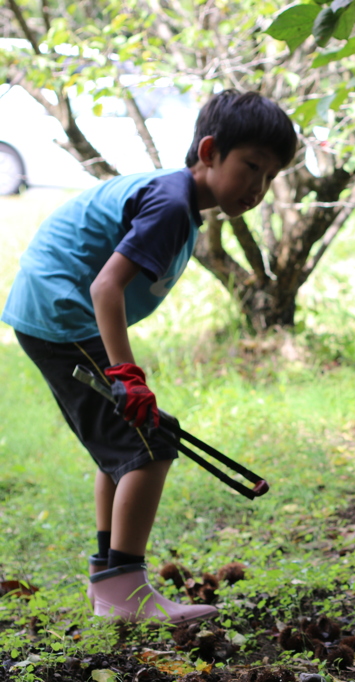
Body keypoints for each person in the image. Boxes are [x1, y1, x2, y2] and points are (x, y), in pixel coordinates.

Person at [1, 90, 297, 624]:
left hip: (55, 311)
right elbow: (105, 287)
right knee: (152, 441)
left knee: (125, 443)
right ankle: (125, 591)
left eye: (270, 176)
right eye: (251, 166)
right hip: (62, 313)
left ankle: (107, 580)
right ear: (209, 151)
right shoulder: (170, 204)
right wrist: (126, 375)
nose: (258, 187)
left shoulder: (177, 200)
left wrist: (124, 378)